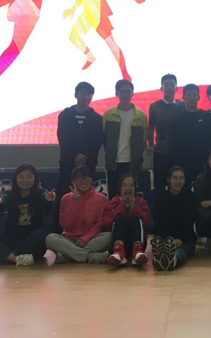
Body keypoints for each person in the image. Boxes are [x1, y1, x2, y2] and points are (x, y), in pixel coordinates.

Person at [62, 0, 144, 78]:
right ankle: (90, 56)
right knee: (73, 36)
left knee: (112, 44)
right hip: (87, 16)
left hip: (99, 16)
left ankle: (124, 73)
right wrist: (73, 9)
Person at [0, 163, 54, 266]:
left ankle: (3, 257)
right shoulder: (9, 194)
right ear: (15, 179)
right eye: (21, 177)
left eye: (29, 177)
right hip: (11, 240)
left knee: (43, 233)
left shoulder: (40, 192)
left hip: (32, 243)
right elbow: (0, 205)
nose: (25, 180)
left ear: (35, 178)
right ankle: (16, 259)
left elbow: (47, 207)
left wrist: (48, 200)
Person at [54, 81, 104, 233]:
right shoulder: (65, 115)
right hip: (68, 163)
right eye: (83, 93)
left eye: (89, 95)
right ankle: (60, 230)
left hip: (88, 163)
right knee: (64, 194)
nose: (85, 97)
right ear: (76, 95)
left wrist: (84, 156)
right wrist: (75, 155)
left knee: (87, 196)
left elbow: (98, 141)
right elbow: (62, 137)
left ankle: (85, 230)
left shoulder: (97, 118)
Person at [45, 165, 111, 263]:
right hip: (69, 240)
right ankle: (91, 256)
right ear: (73, 181)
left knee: (108, 236)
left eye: (86, 177)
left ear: (91, 179)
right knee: (50, 238)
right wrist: (74, 203)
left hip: (91, 240)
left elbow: (100, 225)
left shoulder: (102, 199)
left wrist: (85, 239)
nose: (83, 181)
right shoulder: (66, 198)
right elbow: (65, 225)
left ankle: (69, 256)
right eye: (79, 178)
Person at [102, 80, 147, 196]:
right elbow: (104, 138)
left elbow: (143, 141)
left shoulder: (140, 116)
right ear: (116, 93)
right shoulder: (108, 115)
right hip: (113, 163)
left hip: (133, 163)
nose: (125, 94)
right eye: (122, 91)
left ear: (133, 93)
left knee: (131, 196)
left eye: (128, 91)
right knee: (114, 196)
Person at [169, 84, 211, 187]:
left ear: (198, 97)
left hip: (202, 162)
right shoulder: (177, 119)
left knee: (203, 189)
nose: (191, 98)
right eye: (188, 95)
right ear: (183, 97)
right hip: (182, 163)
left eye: (194, 95)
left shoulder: (207, 117)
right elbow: (172, 143)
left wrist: (208, 162)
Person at [151, 166, 197, 271]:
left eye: (181, 178)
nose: (178, 181)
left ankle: (174, 259)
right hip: (164, 239)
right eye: (175, 178)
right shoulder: (159, 199)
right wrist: (168, 239)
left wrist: (179, 239)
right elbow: (159, 224)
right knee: (164, 247)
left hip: (185, 239)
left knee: (182, 248)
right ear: (168, 179)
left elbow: (188, 222)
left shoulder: (190, 197)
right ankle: (161, 258)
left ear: (185, 180)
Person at [101, 174, 151, 267]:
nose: (128, 188)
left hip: (137, 242)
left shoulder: (141, 203)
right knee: (120, 219)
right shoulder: (113, 202)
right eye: (125, 185)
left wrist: (134, 208)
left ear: (135, 188)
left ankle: (137, 252)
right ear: (120, 188)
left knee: (135, 220)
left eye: (131, 185)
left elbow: (146, 224)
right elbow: (106, 224)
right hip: (116, 243)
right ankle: (119, 252)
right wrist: (120, 208)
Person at [146, 74, 184, 195]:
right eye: (166, 85)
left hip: (178, 152)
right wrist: (151, 145)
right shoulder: (154, 106)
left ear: (176, 88)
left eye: (172, 85)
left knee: (178, 185)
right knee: (160, 185)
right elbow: (150, 127)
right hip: (160, 152)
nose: (169, 87)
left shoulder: (182, 105)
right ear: (161, 88)